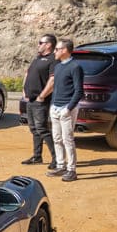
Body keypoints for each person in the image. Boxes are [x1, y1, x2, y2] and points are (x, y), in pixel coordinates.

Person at [47, 38, 83, 182]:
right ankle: (61, 165)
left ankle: (71, 170)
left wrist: (68, 108)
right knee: (57, 139)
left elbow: (79, 91)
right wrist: (52, 105)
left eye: (57, 49)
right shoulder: (58, 66)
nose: (54, 52)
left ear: (64, 50)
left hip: (67, 109)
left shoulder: (75, 67)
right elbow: (56, 88)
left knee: (68, 139)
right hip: (55, 108)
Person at [22, 34, 58, 168]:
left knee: (42, 129)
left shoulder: (53, 59)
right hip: (30, 99)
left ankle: (57, 159)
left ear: (48, 45)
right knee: (34, 129)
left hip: (40, 100)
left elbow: (52, 80)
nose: (38, 44)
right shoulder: (38, 58)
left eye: (40, 42)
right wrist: (24, 90)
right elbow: (27, 73)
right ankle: (37, 156)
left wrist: (42, 96)